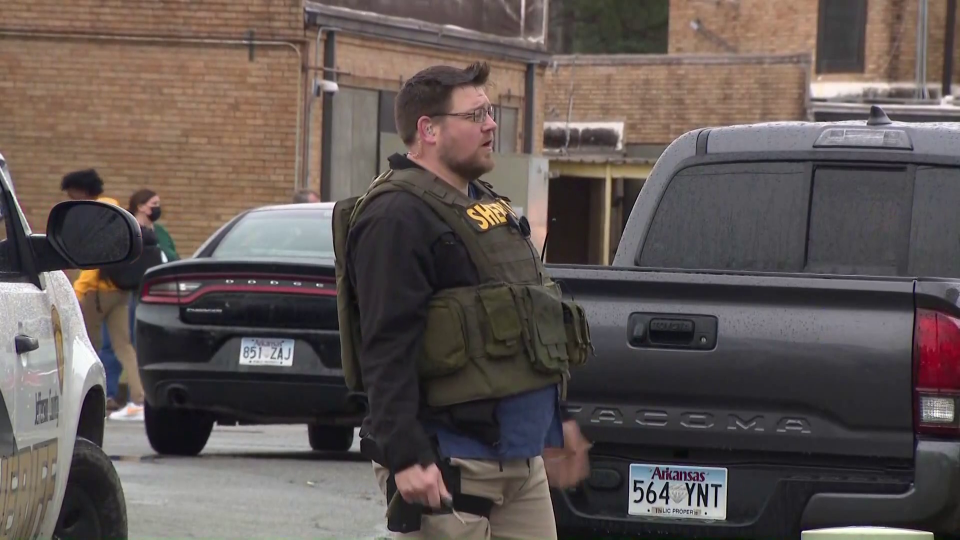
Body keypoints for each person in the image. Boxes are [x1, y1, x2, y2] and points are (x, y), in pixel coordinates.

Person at [333, 61, 594, 540]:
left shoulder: (485, 205)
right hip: (449, 464)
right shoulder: (396, 217)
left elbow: (528, 329)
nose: (491, 125)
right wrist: (407, 456)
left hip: (522, 461)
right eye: (475, 116)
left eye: (490, 112)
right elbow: (386, 349)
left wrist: (558, 424)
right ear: (428, 130)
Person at [62, 169, 146, 421]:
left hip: (96, 293)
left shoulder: (92, 214)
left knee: (87, 346)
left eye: (71, 193)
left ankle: (87, 400)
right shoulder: (115, 211)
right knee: (124, 347)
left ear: (82, 190)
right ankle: (140, 399)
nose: (69, 198)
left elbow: (93, 261)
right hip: (120, 291)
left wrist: (78, 290)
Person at [99, 189, 178, 415]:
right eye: (154, 203)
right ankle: (109, 393)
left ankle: (138, 395)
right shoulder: (128, 230)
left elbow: (172, 257)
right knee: (114, 344)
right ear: (141, 206)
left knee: (133, 344)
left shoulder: (160, 232)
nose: (157, 207)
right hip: (124, 291)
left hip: (150, 293)